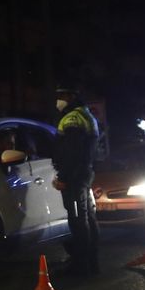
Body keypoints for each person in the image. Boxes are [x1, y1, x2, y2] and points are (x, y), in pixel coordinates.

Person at [52, 86, 100, 275]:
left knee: (78, 221)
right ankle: (92, 262)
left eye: (62, 96)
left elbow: (72, 151)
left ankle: (81, 265)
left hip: (75, 176)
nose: (59, 100)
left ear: (72, 97)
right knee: (87, 218)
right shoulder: (85, 115)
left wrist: (63, 177)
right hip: (83, 173)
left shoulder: (72, 118)